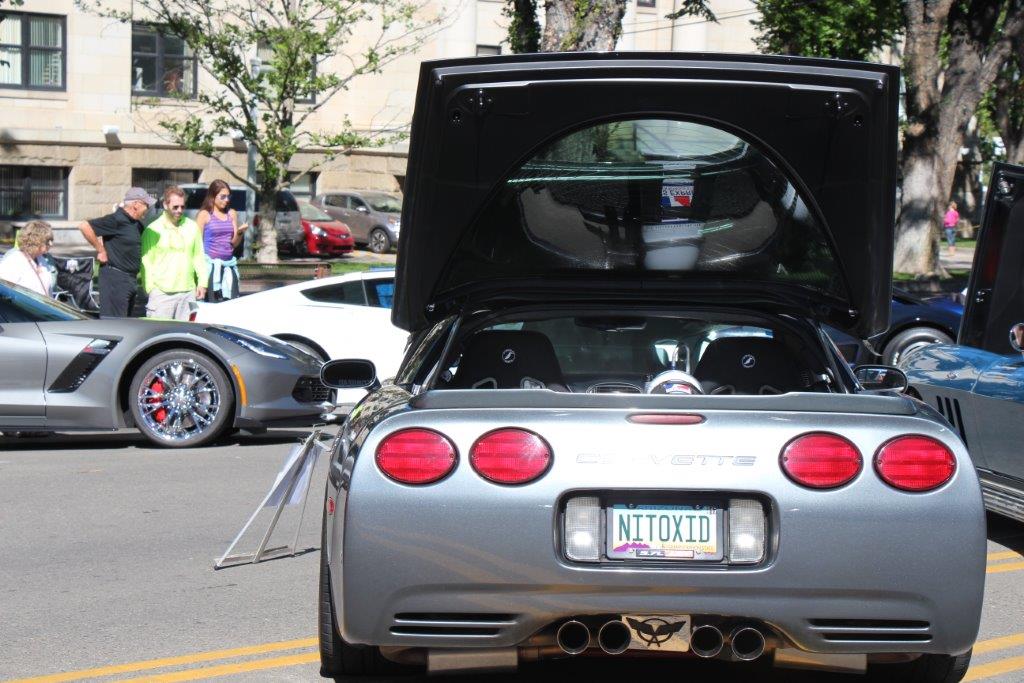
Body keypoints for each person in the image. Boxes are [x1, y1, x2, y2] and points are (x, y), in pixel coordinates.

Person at [79, 187, 156, 318]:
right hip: (115, 279)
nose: (148, 209)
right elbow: (84, 226)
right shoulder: (117, 219)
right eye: (146, 205)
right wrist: (101, 250)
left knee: (125, 323)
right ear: (136, 204)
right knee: (115, 324)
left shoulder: (136, 224)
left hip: (130, 280)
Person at [140, 186, 207, 320]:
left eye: (182, 207)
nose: (179, 210)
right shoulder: (153, 229)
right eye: (175, 207)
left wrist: (202, 283)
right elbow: (146, 262)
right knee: (159, 338)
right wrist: (151, 289)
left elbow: (198, 256)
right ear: (165, 204)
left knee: (186, 338)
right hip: (162, 293)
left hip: (188, 292)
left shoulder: (192, 226)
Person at [197, 180, 247, 302]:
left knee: (230, 303)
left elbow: (234, 243)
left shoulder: (231, 214)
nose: (227, 200)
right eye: (222, 196)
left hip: (228, 267)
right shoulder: (204, 214)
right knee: (211, 304)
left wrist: (240, 232)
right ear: (212, 196)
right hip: (211, 268)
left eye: (228, 196)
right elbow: (196, 244)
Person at [0, 220, 54, 296]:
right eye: (48, 241)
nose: (51, 244)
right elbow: (3, 290)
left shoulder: (42, 259)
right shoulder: (14, 260)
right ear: (36, 241)